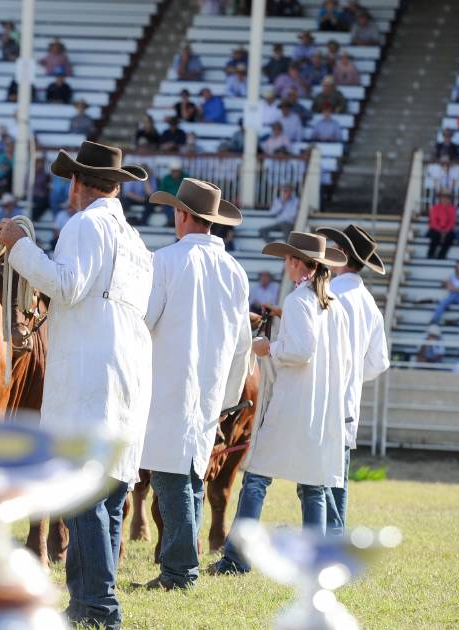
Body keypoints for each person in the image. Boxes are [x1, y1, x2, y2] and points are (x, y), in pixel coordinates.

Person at [0, 141, 153, 630]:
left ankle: (99, 606)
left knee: (87, 495)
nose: (68, 190)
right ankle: (90, 602)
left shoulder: (86, 225)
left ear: (81, 183)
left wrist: (16, 245)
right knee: (105, 494)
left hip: (91, 370)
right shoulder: (136, 241)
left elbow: (64, 284)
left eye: (71, 181)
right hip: (126, 368)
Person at [210, 231, 351, 575]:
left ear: (297, 263)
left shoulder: (299, 300)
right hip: (321, 406)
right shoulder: (333, 304)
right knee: (314, 484)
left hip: (292, 404)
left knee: (257, 478)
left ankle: (237, 559)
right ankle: (316, 558)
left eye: (288, 258)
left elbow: (301, 350)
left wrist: (267, 348)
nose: (286, 264)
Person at [141, 179, 249, 591]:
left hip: (168, 383)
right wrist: (229, 399)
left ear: (183, 215)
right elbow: (242, 346)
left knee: (171, 479)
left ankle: (179, 571)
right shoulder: (235, 271)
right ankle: (181, 566)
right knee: (191, 479)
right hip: (209, 390)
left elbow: (145, 320)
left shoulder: (166, 261)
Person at [316, 225, 389, 536]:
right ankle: (334, 542)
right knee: (337, 482)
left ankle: (331, 542)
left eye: (334, 248)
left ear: (342, 255)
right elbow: (379, 362)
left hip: (322, 400)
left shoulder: (331, 295)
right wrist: (354, 377)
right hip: (348, 404)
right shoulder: (369, 302)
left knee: (318, 482)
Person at [429, 260, 459, 326]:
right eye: (458, 268)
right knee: (443, 302)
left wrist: (456, 288)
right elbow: (450, 289)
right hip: (453, 295)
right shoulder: (452, 276)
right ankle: (435, 320)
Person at [426, 192, 457, 260]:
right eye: (443, 197)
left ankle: (441, 255)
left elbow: (452, 222)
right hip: (435, 229)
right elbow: (433, 222)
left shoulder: (452, 209)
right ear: (440, 199)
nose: (445, 199)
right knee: (435, 235)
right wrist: (441, 231)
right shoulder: (434, 208)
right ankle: (430, 254)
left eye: (447, 198)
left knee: (450, 236)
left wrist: (446, 231)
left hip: (447, 230)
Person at [156, 162, 186, 227]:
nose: (175, 173)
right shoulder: (166, 178)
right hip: (169, 201)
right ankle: (172, 221)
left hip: (182, 201)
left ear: (180, 171)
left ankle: (174, 222)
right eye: (173, 171)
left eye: (176, 171)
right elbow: (161, 192)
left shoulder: (186, 178)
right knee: (165, 205)